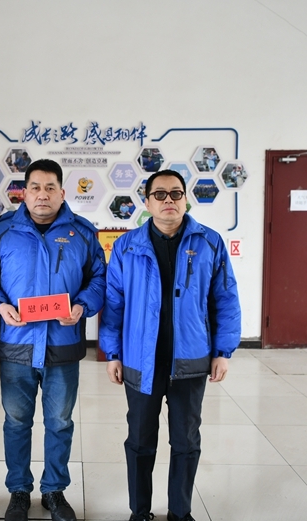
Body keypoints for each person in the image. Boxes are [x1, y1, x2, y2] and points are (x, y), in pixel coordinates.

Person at [99, 170, 241, 521]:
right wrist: (112, 353)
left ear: (185, 200)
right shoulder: (126, 247)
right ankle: (139, 512)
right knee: (139, 442)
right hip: (140, 361)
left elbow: (225, 299)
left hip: (190, 361)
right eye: (159, 194)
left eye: (176, 193)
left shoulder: (209, 243)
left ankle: (180, 512)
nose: (168, 201)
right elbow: (114, 304)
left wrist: (222, 351)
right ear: (147, 202)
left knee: (186, 442)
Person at [0, 159, 106, 521]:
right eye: (35, 187)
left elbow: (99, 279)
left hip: (62, 345)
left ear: (62, 193)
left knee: (60, 422)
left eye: (50, 188)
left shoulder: (82, 234)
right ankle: (19, 490)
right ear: (24, 192)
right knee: (16, 422)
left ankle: (54, 490)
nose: (42, 194)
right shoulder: (3, 233)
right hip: (16, 346)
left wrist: (82, 306)